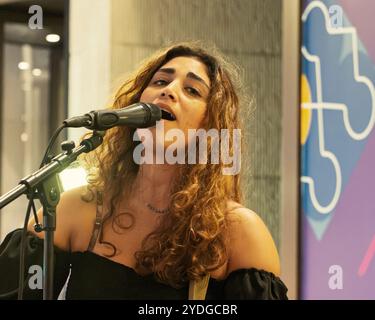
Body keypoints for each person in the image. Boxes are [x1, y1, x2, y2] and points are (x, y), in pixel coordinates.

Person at [0, 42, 288, 300]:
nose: (169, 90)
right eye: (161, 80)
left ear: (211, 127)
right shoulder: (79, 209)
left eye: (192, 90)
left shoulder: (237, 232)